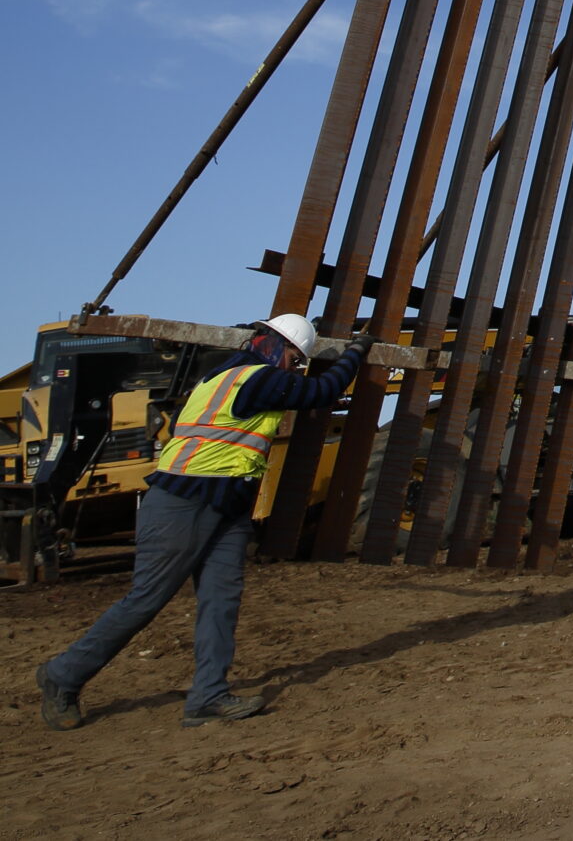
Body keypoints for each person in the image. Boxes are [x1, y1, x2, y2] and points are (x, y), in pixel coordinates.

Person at [38, 313, 368, 730]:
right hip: (184, 501)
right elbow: (323, 390)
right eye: (292, 357)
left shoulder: (218, 378)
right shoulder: (255, 379)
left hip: (225, 506)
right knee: (146, 599)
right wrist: (357, 352)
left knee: (221, 598)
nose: (292, 367)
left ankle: (208, 694)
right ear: (271, 346)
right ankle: (63, 675)